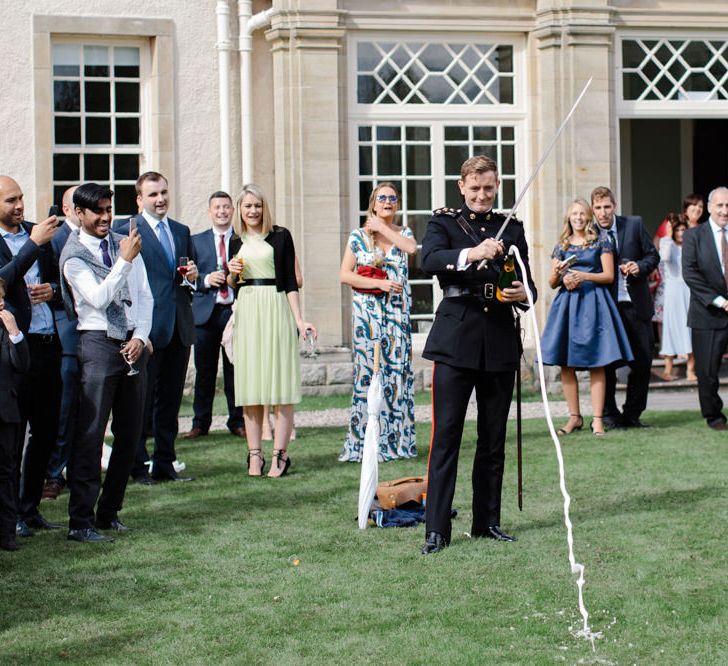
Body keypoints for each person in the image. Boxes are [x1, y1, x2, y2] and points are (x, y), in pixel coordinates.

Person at [419, 155, 536, 555]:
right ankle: (436, 529)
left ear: (497, 185)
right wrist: (472, 252)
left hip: (499, 340)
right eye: (475, 188)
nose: (482, 195)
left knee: (493, 439)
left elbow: (529, 285)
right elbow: (429, 259)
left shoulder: (513, 227)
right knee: (446, 437)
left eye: (488, 188)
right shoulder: (445, 223)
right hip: (455, 339)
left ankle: (487, 522)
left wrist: (524, 295)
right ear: (462, 187)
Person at [60, 183, 153, 542]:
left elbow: (143, 296)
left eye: (108, 209)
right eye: (97, 211)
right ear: (78, 214)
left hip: (131, 342)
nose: (105, 217)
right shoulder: (73, 256)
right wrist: (124, 260)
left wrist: (140, 338)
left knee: (130, 434)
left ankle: (108, 513)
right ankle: (79, 521)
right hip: (97, 344)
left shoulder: (123, 241)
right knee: (91, 434)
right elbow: (98, 298)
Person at [113, 171, 198, 483]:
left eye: (163, 192)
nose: (160, 199)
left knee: (170, 401)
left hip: (179, 325)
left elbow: (182, 277)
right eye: (153, 195)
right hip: (144, 330)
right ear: (139, 200)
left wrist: (192, 277)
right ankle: (137, 465)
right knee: (140, 401)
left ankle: (165, 461)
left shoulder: (181, 230)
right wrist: (135, 330)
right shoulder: (125, 230)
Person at [227, 184, 316, 478]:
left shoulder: (281, 236)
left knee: (281, 385)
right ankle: (254, 456)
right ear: (240, 210)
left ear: (265, 208)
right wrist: (231, 272)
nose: (253, 211)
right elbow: (233, 284)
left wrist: (299, 320)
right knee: (251, 387)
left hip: (276, 307)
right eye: (247, 206)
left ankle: (280, 456)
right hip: (248, 310)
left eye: (258, 205)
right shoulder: (235, 240)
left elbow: (291, 281)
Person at [0, 176, 64, 538]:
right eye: (11, 200)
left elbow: (58, 282)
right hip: (13, 350)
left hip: (46, 342)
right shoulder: (30, 239)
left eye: (21, 197)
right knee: (13, 437)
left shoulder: (35, 232)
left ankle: (31, 508)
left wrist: (51, 290)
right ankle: (11, 518)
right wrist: (31, 246)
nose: (20, 206)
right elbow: (2, 281)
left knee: (46, 431)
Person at [339, 182, 417, 462]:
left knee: (397, 374)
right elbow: (345, 276)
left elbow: (411, 248)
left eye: (393, 198)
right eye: (382, 198)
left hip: (397, 314)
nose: (387, 202)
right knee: (369, 375)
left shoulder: (403, 233)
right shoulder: (358, 237)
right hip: (368, 317)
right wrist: (381, 286)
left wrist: (383, 228)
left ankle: (398, 443)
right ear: (373, 203)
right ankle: (364, 444)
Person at [541, 199, 633, 437]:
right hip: (567, 306)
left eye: (583, 213)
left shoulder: (600, 241)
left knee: (597, 361)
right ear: (568, 217)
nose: (579, 217)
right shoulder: (561, 244)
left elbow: (609, 276)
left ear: (589, 216)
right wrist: (561, 276)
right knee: (566, 363)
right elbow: (551, 283)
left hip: (594, 304)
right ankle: (574, 417)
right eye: (574, 213)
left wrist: (582, 276)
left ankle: (598, 419)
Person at [591, 186, 660, 430]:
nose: (603, 212)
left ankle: (632, 415)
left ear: (615, 205)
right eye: (598, 208)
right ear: (593, 209)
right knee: (608, 364)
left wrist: (638, 266)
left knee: (642, 362)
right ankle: (609, 415)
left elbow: (653, 256)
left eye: (607, 207)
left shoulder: (634, 225)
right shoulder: (588, 233)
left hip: (636, 305)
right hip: (606, 309)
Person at [185, 191, 244, 440]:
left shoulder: (242, 242)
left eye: (226, 207)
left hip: (233, 312)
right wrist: (206, 279)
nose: (222, 211)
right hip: (205, 313)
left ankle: (237, 420)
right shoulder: (196, 241)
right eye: (217, 207)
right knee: (204, 371)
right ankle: (201, 423)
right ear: (210, 211)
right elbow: (187, 278)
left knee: (235, 370)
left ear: (232, 211)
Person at [42, 186, 81, 500]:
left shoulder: (97, 238)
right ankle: (53, 474)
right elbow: (47, 284)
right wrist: (55, 291)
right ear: (67, 209)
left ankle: (77, 468)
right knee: (64, 407)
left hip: (95, 332)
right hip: (65, 330)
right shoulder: (54, 239)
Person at [682, 186, 728, 430]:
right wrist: (721, 301)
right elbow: (690, 274)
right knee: (708, 371)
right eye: (719, 205)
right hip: (707, 313)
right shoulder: (693, 236)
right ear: (709, 207)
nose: (724, 210)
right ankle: (714, 416)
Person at [0, 279, 29, 551]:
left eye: (1, 298)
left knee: (7, 475)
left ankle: (7, 534)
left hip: (6, 413)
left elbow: (22, 365)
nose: (1, 304)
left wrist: (14, 332)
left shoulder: (8, 329)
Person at [659, 217, 695, 381]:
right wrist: (667, 236)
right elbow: (664, 257)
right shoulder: (668, 244)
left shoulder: (691, 245)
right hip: (673, 291)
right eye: (678, 230)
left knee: (690, 327)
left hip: (689, 289)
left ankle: (690, 369)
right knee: (671, 327)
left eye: (683, 229)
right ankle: (668, 369)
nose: (681, 233)